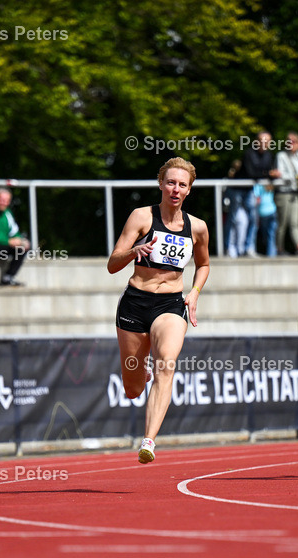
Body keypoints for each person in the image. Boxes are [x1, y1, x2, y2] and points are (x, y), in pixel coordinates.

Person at [107, 157, 210, 464]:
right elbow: (112, 264)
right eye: (170, 182)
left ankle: (149, 441)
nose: (175, 189)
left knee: (167, 363)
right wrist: (133, 251)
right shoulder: (141, 216)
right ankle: (140, 372)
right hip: (135, 304)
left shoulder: (198, 227)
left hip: (171, 304)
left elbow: (203, 264)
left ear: (189, 190)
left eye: (182, 184)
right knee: (132, 388)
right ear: (161, 184)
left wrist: (193, 292)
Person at [241, 131, 281, 257]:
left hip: (265, 199)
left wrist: (273, 175)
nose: (264, 144)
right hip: (249, 192)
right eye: (262, 141)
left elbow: (266, 174)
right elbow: (252, 173)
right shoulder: (249, 154)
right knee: (250, 222)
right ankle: (247, 248)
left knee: (269, 228)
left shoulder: (268, 155)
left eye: (267, 141)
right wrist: (268, 174)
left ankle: (271, 253)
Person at [276, 132, 298, 255]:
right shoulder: (281, 156)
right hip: (283, 192)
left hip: (295, 193)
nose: (291, 144)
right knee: (282, 223)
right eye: (288, 141)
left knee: (295, 222)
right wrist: (297, 176)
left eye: (294, 141)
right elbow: (280, 174)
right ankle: (279, 248)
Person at [252, 180, 279, 256]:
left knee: (265, 235)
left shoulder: (258, 184)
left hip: (262, 212)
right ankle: (272, 254)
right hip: (272, 210)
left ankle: (269, 253)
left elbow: (256, 198)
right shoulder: (270, 184)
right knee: (271, 234)